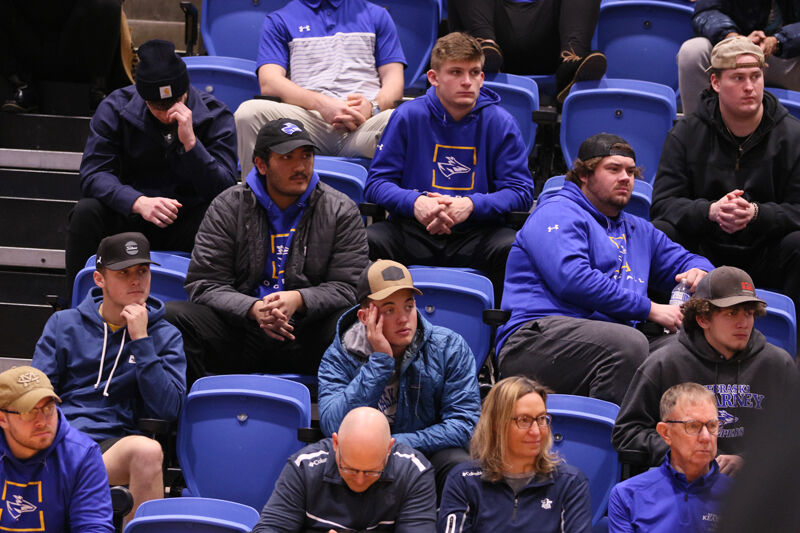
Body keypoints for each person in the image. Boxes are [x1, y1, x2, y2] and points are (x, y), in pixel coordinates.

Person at [497, 133, 715, 405]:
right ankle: (610, 442)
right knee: (629, 343)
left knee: (687, 350)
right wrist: (651, 309)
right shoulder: (556, 212)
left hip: (614, 340)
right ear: (584, 175)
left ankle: (662, 440)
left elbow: (687, 260)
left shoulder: (639, 229)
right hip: (535, 340)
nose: (626, 178)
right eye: (613, 169)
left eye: (631, 172)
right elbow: (573, 279)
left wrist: (700, 271)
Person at [166, 118, 368, 385]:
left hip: (307, 332)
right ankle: (196, 412)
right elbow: (204, 284)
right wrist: (253, 308)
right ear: (261, 164)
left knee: (358, 322)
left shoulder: (341, 209)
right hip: (241, 331)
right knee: (172, 316)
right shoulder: (228, 206)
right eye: (287, 157)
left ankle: (339, 420)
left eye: (306, 156)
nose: (300, 166)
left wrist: (299, 299)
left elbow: (349, 287)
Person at [654, 36, 800, 349]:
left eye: (756, 76)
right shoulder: (686, 133)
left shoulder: (793, 135)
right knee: (661, 233)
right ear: (716, 82)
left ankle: (794, 348)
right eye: (738, 78)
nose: (750, 87)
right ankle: (662, 337)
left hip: (765, 251)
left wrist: (757, 214)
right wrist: (710, 212)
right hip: (704, 253)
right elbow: (663, 204)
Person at [65, 39, 238, 304]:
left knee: (223, 219)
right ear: (143, 98)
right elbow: (93, 174)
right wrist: (137, 201)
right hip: (131, 215)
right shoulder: (114, 108)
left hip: (187, 218)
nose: (168, 113)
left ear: (186, 91)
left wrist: (192, 145)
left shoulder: (216, 115)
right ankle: (75, 309)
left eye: (175, 103)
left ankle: (215, 311)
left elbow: (226, 191)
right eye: (158, 107)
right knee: (86, 212)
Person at [365, 33, 534, 302]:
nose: (467, 82)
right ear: (433, 77)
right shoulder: (408, 116)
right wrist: (416, 203)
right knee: (365, 243)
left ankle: (502, 339)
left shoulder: (500, 122)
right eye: (456, 72)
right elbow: (376, 184)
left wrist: (470, 205)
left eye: (475, 72)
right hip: (412, 230)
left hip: (477, 233)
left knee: (516, 249)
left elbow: (521, 192)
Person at [32, 232, 186, 521]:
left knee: (148, 451)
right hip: (61, 440)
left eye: (142, 271)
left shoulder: (165, 336)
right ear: (100, 279)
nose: (136, 281)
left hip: (114, 446)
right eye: (123, 273)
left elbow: (168, 409)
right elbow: (38, 394)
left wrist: (141, 340)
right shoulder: (63, 324)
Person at [611, 266, 797, 476]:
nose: (743, 323)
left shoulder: (777, 364)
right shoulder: (665, 363)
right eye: (731, 313)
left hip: (754, 490)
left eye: (749, 313)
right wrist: (685, 453)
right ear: (703, 318)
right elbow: (627, 433)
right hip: (684, 486)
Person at [317, 259, 481, 495]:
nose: (403, 318)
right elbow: (333, 425)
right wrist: (380, 364)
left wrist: (395, 444)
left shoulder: (449, 347)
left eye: (409, 305)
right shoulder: (339, 356)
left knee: (459, 465)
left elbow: (465, 425)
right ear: (365, 317)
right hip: (360, 462)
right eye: (389, 309)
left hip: (425, 457)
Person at [233, 0, 406, 178]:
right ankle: (253, 202)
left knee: (408, 118)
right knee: (249, 113)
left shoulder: (377, 15)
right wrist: (322, 104)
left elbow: (394, 81)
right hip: (306, 124)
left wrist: (372, 107)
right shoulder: (280, 19)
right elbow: (269, 82)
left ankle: (413, 202)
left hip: (364, 124)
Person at [438, 376, 592, 533]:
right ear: (496, 425)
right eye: (524, 420)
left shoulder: (571, 483)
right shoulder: (464, 480)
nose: (536, 431)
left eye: (541, 419)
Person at [252, 406, 436, 532]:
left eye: (372, 471)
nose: (359, 480)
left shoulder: (415, 472)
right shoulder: (304, 467)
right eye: (349, 469)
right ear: (336, 443)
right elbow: (270, 528)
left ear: (389, 449)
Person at [0, 365, 113, 532]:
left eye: (48, 408)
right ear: (2, 419)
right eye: (28, 412)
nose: (42, 421)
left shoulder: (82, 455)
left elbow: (94, 527)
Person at [608, 383, 733, 532]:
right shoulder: (628, 495)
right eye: (693, 426)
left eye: (712, 425)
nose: (706, 437)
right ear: (665, 433)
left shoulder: (741, 496)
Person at [448, 0, 605, 102]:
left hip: (551, 50)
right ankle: (484, 50)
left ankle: (571, 62)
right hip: (494, 47)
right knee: (486, 49)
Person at [678, 1, 800, 115]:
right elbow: (706, 10)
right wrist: (733, 38)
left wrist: (778, 41)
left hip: (787, 56)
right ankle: (697, 132)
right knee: (693, 51)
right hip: (733, 50)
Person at [0, 0, 122, 113]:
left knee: (107, 3)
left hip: (78, 43)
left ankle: (97, 91)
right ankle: (21, 85)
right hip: (31, 42)